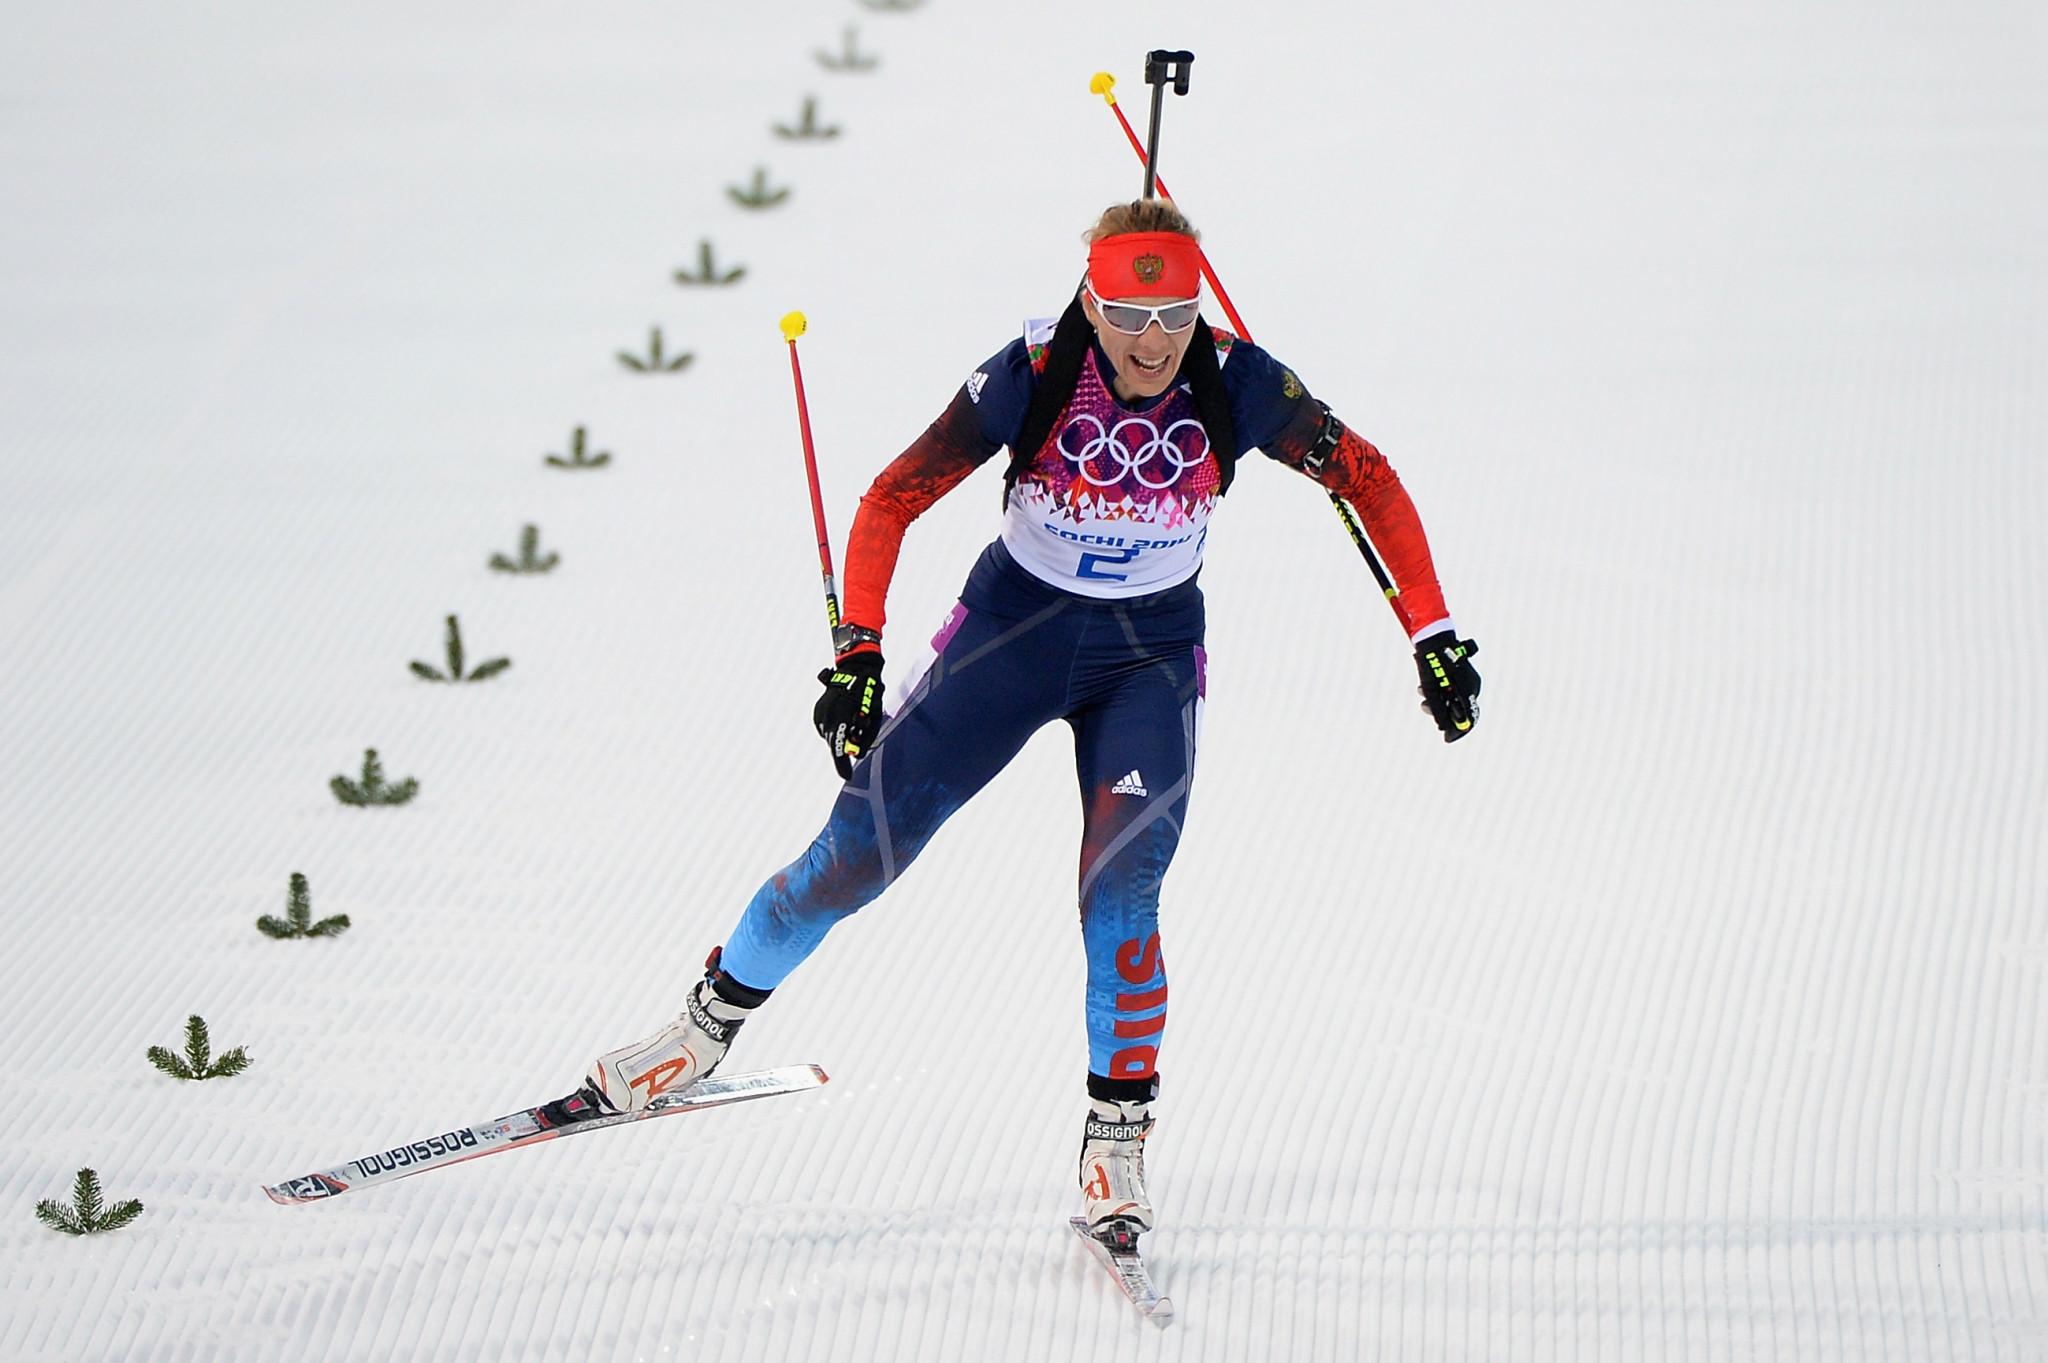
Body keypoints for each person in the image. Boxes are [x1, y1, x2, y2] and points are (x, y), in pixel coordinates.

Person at [577, 199, 1481, 1249]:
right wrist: (858, 656)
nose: (1153, 340)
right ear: (1089, 301)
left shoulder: (1236, 378)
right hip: (1011, 636)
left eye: (1175, 312)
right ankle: (703, 1026)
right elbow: (890, 497)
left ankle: (1117, 1137)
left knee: (1121, 891)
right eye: (1128, 313)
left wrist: (1433, 633)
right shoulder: (1034, 370)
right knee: (851, 857)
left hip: (1145, 658)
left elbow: (1363, 475)